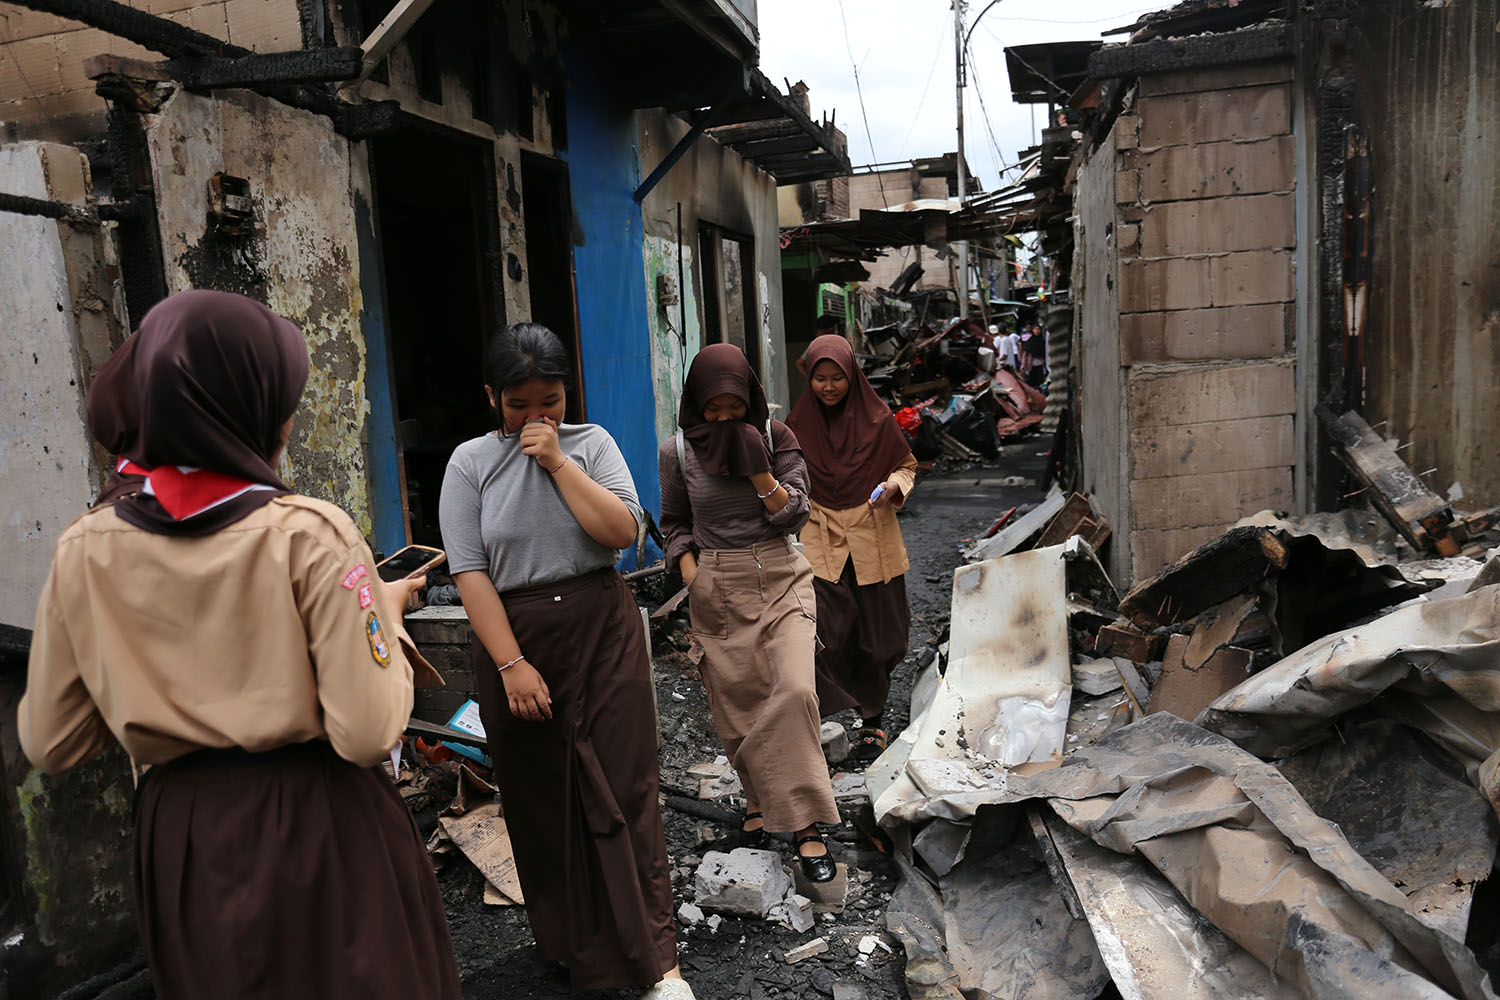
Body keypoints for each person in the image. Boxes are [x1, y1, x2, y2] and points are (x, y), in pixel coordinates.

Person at [19, 289, 462, 1000]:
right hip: (320, 828)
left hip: (183, 840)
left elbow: (53, 741)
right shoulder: (307, 533)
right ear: (253, 409)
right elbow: (367, 729)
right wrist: (380, 610)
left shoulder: (86, 546)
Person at [439, 324, 689, 998]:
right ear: (492, 398)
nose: (534, 417)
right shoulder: (469, 463)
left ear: (564, 393)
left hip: (600, 625)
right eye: (518, 405)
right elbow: (469, 572)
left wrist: (555, 460)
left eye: (547, 401)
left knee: (625, 786)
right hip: (516, 639)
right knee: (543, 797)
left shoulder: (592, 444)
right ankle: (575, 950)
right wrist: (512, 664)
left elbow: (620, 534)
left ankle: (658, 960)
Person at [658, 344, 840, 883]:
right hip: (718, 582)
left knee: (794, 692)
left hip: (782, 575)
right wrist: (696, 575)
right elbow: (674, 522)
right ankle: (759, 800)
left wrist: (758, 468)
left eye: (732, 408)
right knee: (738, 705)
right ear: (695, 404)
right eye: (711, 410)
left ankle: (806, 826)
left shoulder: (776, 436)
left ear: (749, 399)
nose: (722, 419)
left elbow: (796, 515)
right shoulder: (678, 451)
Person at [787, 335, 918, 762]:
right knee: (825, 632)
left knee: (882, 637)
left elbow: (906, 466)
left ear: (852, 376)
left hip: (871, 536)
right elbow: (785, 472)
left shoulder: (879, 421)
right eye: (819, 378)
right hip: (821, 537)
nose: (828, 387)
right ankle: (826, 716)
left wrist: (892, 486)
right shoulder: (798, 425)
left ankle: (873, 721)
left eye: (837, 378)